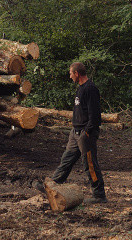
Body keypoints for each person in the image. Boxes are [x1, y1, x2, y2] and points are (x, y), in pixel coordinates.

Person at [36, 62, 107, 204]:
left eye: (70, 73)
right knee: (66, 160)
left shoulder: (90, 88)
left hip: (85, 134)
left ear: (77, 73)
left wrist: (86, 132)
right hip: (75, 133)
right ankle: (52, 185)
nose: (69, 76)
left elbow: (95, 115)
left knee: (90, 164)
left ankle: (99, 195)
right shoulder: (81, 88)